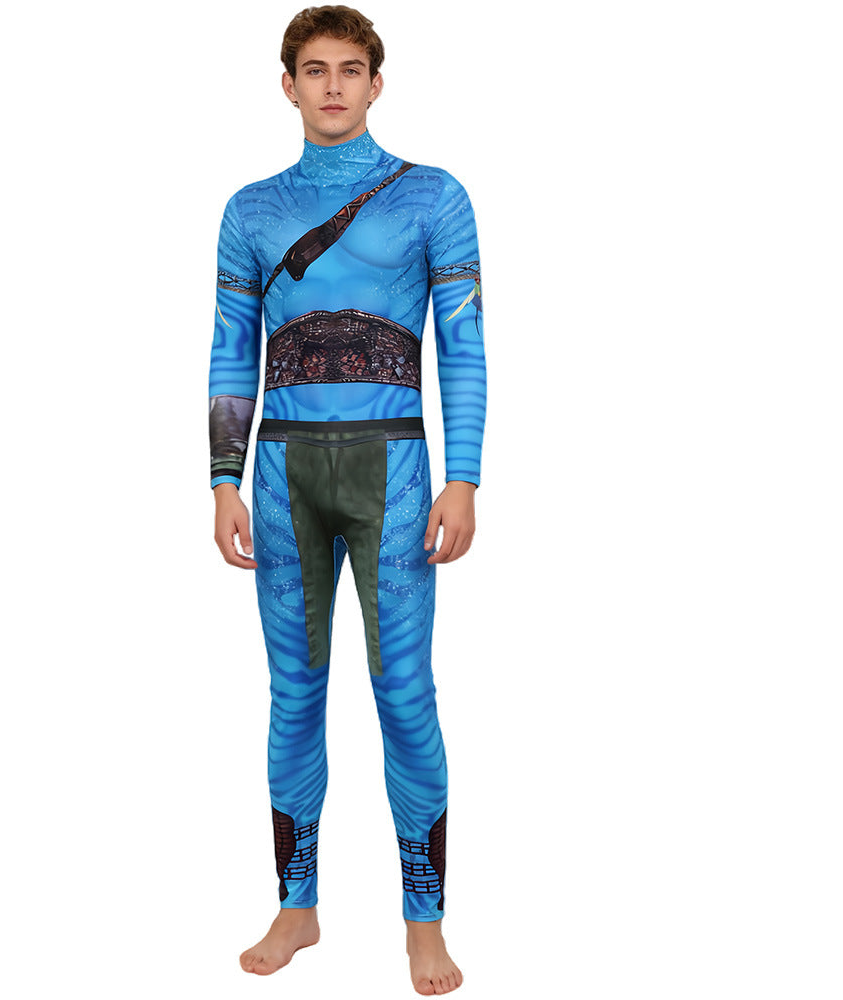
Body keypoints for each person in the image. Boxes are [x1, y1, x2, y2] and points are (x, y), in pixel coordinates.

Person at [208, 6, 486, 995]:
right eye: (316, 69)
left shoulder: (434, 197)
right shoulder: (250, 209)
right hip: (282, 473)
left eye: (351, 69)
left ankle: (424, 920)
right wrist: (221, 479)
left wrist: (463, 477)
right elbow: (230, 352)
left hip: (396, 473)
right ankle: (298, 905)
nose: (333, 85)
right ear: (287, 85)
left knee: (404, 693)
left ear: (376, 83)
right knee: (293, 694)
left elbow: (463, 347)